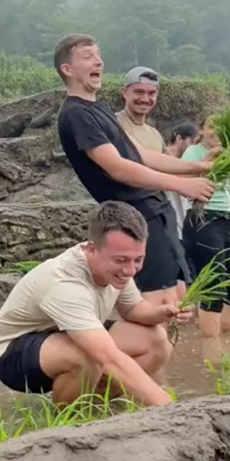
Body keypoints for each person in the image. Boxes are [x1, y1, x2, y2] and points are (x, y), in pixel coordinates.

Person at [54, 34, 214, 305]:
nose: (99, 61)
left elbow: (139, 155)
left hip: (155, 212)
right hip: (136, 215)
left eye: (98, 54)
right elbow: (117, 167)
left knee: (174, 298)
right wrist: (181, 184)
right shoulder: (76, 114)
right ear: (67, 69)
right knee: (155, 302)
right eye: (88, 56)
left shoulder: (98, 109)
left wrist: (198, 166)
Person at [0, 201, 185, 407]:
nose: (130, 271)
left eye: (138, 259)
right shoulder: (66, 283)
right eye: (120, 260)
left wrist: (161, 312)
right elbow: (107, 357)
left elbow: (132, 309)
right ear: (91, 249)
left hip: (64, 336)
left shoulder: (114, 266)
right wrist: (168, 407)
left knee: (156, 339)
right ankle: (70, 417)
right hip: (12, 353)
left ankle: (96, 402)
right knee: (88, 355)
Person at [181, 116, 230, 337]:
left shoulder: (226, 156)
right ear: (201, 130)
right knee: (213, 289)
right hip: (202, 221)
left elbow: (223, 201)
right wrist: (209, 160)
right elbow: (185, 184)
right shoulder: (193, 153)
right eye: (211, 127)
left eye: (221, 128)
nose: (216, 132)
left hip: (224, 222)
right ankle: (210, 348)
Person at [116, 67, 165, 152]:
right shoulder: (113, 124)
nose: (145, 99)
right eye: (138, 92)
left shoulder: (155, 134)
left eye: (151, 93)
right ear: (124, 92)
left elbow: (167, 159)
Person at [164, 121, 199, 238]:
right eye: (192, 142)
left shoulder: (185, 162)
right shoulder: (162, 158)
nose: (194, 148)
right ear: (179, 138)